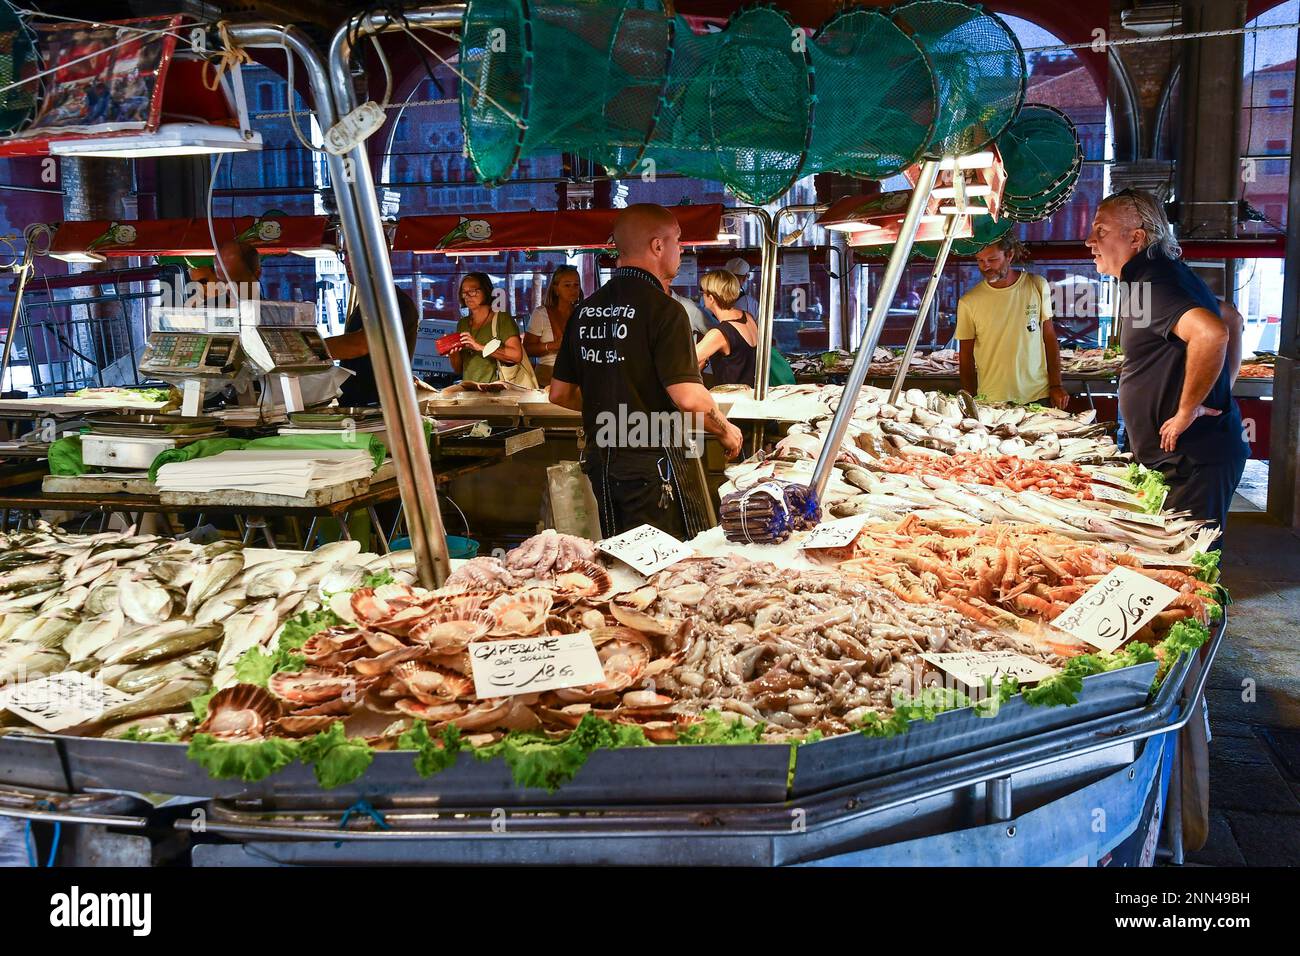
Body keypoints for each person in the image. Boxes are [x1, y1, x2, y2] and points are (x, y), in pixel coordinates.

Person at [549, 204, 744, 538]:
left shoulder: (584, 311)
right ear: (658, 246)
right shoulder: (666, 310)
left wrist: (615, 409)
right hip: (651, 465)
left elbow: (560, 394)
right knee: (659, 566)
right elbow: (688, 398)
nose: (681, 250)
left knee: (620, 559)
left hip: (600, 462)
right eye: (678, 241)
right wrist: (726, 430)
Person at [1086, 188, 1248, 547]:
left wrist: (1189, 409)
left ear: (1137, 237)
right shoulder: (1157, 276)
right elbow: (1231, 317)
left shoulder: (1154, 282)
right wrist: (1218, 389)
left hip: (1192, 462)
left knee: (1188, 569)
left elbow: (1212, 333)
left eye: (1101, 230)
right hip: (1186, 459)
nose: (1088, 240)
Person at [956, 236, 1068, 409]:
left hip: (1038, 395)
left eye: (992, 259)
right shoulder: (968, 302)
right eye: (980, 260)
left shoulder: (1037, 285)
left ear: (1009, 255)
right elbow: (965, 356)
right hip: (991, 399)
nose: (985, 266)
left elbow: (1049, 338)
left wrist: (1056, 385)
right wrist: (969, 400)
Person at [324, 287, 420, 406]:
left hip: (382, 405)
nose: (348, 267)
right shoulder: (367, 303)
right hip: (362, 404)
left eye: (355, 266)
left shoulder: (396, 303)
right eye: (346, 266)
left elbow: (361, 343)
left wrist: (309, 349)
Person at [449, 272, 525, 384]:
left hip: (497, 391)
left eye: (473, 291)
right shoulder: (462, 324)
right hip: (470, 390)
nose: (468, 296)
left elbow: (516, 355)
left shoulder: (502, 319)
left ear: (486, 291)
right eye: (464, 292)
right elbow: (458, 369)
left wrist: (479, 347)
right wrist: (453, 353)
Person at [695, 268, 758, 386]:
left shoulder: (719, 334)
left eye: (702, 292)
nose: (702, 295)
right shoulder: (748, 317)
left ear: (711, 298)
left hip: (730, 400)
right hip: (750, 395)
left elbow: (686, 363)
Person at [524, 265, 583, 387]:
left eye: (576, 285)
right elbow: (527, 349)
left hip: (577, 377)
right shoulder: (541, 313)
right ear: (556, 289)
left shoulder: (583, 313)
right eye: (567, 285)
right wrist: (552, 346)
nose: (573, 289)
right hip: (547, 377)